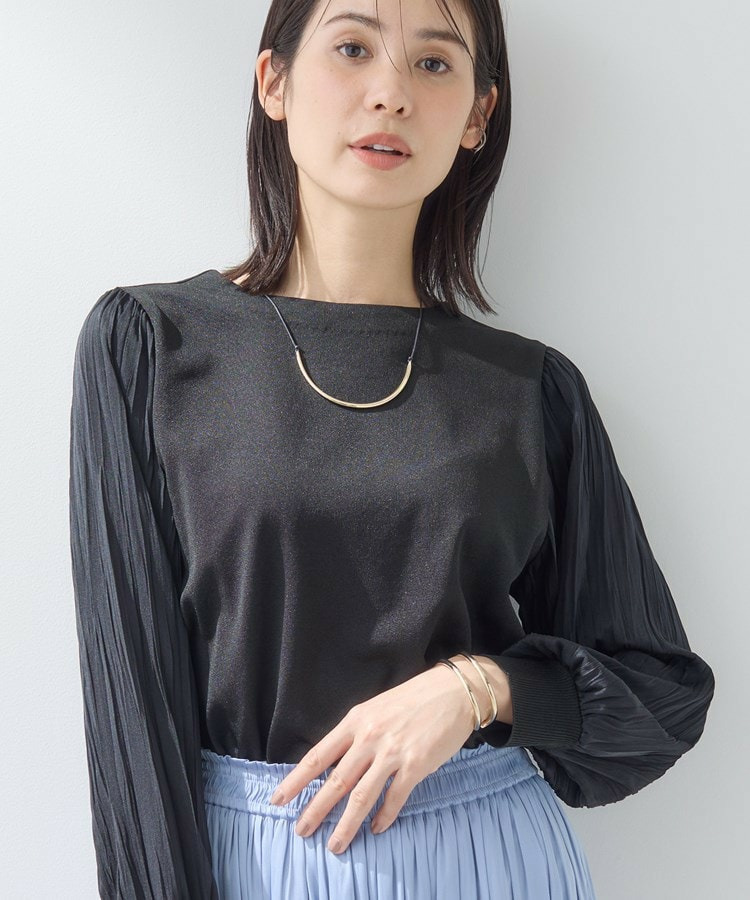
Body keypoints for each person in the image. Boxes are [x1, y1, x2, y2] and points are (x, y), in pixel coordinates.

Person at [68, 0, 716, 897]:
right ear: (274, 82)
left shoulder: (530, 390)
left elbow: (661, 694)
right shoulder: (149, 346)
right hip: (253, 858)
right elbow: (132, 713)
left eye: (434, 63)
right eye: (352, 47)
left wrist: (478, 688)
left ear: (479, 115)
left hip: (490, 856)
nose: (391, 93)